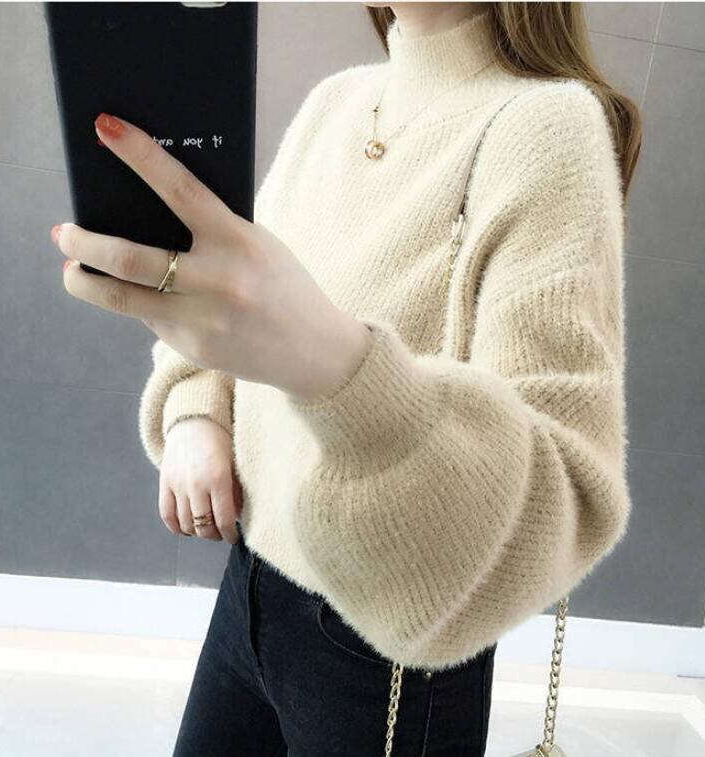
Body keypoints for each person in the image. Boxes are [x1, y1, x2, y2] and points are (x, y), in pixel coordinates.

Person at [54, 2, 641, 755]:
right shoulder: (335, 103)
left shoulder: (546, 125)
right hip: (250, 583)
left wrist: (339, 369)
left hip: (388, 652)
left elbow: (567, 488)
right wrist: (196, 408)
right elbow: (237, 301)